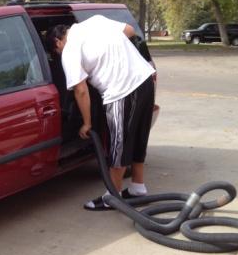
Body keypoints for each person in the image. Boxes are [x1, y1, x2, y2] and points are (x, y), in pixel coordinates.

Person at [46, 15, 156, 210]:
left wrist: (87, 123)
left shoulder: (70, 50)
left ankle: (112, 196)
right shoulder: (95, 21)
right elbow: (130, 31)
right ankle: (138, 186)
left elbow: (81, 90)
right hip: (145, 80)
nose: (59, 54)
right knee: (139, 136)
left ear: (57, 41)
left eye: (56, 51)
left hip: (121, 90)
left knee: (118, 145)